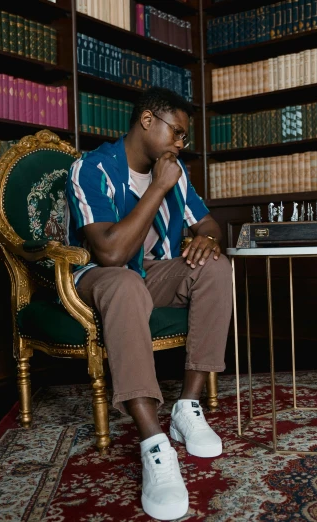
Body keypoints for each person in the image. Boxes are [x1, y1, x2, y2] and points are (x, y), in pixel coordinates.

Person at [65, 87, 232, 519]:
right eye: (176, 133)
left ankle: (186, 407)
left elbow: (210, 222)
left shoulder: (177, 173)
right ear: (146, 121)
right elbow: (111, 254)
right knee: (124, 285)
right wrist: (157, 188)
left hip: (151, 272)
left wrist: (205, 239)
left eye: (183, 137)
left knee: (215, 266)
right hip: (97, 275)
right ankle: (154, 443)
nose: (180, 144)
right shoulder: (93, 167)